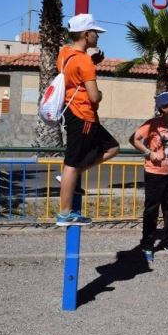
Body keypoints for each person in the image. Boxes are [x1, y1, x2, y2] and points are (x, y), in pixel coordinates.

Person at [55, 14, 119, 226]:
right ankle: (64, 214)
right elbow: (94, 96)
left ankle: (68, 179)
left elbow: (74, 75)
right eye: (95, 33)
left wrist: (92, 61)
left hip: (71, 112)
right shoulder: (84, 62)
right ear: (85, 34)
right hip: (83, 116)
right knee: (72, 164)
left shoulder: (64, 53)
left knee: (112, 148)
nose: (97, 36)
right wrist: (101, 94)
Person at [130, 91, 168, 263]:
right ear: (163, 108)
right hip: (154, 175)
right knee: (151, 211)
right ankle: (147, 245)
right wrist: (149, 153)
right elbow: (134, 139)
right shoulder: (152, 124)